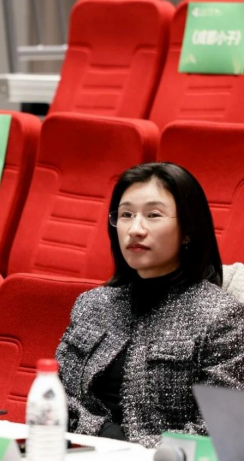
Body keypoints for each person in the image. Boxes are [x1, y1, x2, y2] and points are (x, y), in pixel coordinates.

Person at [56, 163, 244, 448]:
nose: (135, 229)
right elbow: (55, 396)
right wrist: (103, 437)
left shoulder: (221, 317)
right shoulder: (92, 304)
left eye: (153, 215)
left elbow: (221, 429)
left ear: (188, 230)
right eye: (126, 215)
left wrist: (133, 450)